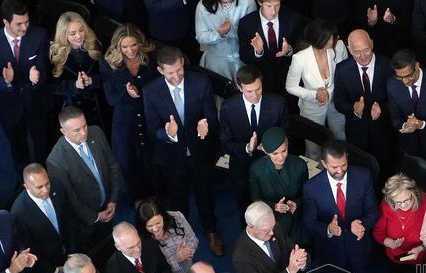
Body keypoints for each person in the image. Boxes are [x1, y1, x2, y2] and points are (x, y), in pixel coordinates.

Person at [143, 46, 221, 256]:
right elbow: (152, 129)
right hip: (172, 157)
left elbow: (211, 114)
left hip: (200, 151)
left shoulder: (201, 82)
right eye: (170, 72)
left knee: (206, 195)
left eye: (179, 69)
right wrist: (168, 133)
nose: (177, 75)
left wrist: (207, 124)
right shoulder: (151, 91)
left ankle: (211, 231)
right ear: (160, 71)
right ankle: (182, 235)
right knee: (178, 200)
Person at [302, 141, 382, 273]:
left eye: (343, 165)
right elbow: (309, 222)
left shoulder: (363, 176)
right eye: (334, 167)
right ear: (324, 163)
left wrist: (362, 223)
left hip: (358, 244)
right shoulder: (312, 187)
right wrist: (327, 229)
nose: (340, 171)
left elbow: (373, 212)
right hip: (330, 248)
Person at [0, 0, 50, 177]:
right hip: (9, 106)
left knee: (42, 142)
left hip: (35, 101)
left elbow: (44, 69)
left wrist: (37, 77)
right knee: (18, 147)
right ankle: (24, 180)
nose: (25, 27)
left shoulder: (40, 35)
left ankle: (46, 176)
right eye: (19, 24)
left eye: (27, 21)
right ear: (5, 22)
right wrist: (6, 81)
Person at [46, 106, 123, 251]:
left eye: (84, 126)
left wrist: (113, 200)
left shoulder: (96, 132)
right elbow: (70, 198)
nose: (83, 132)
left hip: (108, 208)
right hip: (85, 224)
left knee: (111, 247)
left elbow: (112, 166)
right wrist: (95, 216)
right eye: (76, 130)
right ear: (63, 131)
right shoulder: (56, 161)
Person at [219, 65, 290, 215]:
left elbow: (285, 135)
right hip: (242, 169)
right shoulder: (228, 107)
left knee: (273, 211)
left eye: (258, 89)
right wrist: (247, 148)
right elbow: (225, 143)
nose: (255, 95)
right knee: (246, 212)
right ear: (240, 87)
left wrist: (272, 147)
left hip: (271, 168)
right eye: (249, 91)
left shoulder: (278, 103)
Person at [101, 23, 159, 203]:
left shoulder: (150, 58)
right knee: (127, 160)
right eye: (124, 47)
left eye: (133, 45)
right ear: (117, 46)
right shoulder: (108, 64)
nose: (130, 50)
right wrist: (126, 94)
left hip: (148, 115)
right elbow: (110, 99)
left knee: (151, 157)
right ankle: (136, 199)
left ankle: (156, 196)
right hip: (125, 119)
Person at [334, 29, 396, 175]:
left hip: (384, 131)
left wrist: (382, 108)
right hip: (356, 133)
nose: (362, 57)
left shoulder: (388, 66)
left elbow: (397, 100)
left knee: (386, 169)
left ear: (372, 44)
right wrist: (354, 109)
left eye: (366, 50)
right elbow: (338, 102)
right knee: (359, 170)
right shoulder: (342, 69)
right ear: (349, 50)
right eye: (357, 52)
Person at [285, 20, 348, 159]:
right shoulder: (300, 58)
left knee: (340, 139)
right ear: (318, 39)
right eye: (329, 38)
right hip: (312, 108)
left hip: (336, 103)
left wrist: (331, 93)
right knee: (313, 148)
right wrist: (314, 95)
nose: (333, 40)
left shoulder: (339, 46)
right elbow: (290, 86)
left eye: (333, 36)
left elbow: (345, 73)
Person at [10, 164, 76, 273]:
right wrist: (54, 271)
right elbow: (29, 250)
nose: (46, 190)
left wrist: (72, 253)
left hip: (69, 253)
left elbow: (68, 220)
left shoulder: (56, 185)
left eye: (47, 184)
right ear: (26, 186)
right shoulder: (19, 213)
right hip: (47, 266)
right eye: (39, 187)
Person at [385, 49, 426, 168]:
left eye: (408, 76)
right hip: (408, 148)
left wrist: (420, 124)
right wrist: (405, 126)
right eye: (400, 77)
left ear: (417, 66)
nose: (405, 81)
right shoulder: (392, 84)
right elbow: (395, 118)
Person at [136, 197, 200, 273]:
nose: (155, 229)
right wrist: (176, 259)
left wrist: (187, 251)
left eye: (158, 223)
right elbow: (151, 269)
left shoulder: (177, 217)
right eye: (150, 226)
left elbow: (194, 240)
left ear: (163, 216)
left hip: (189, 272)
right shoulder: (140, 240)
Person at [248, 127, 309, 247]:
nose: (280, 157)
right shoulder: (257, 169)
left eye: (284, 151)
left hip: (295, 217)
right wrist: (274, 206)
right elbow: (256, 200)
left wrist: (296, 203)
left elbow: (306, 195)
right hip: (270, 219)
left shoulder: (300, 165)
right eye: (275, 153)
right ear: (266, 151)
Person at [48, 12, 105, 129]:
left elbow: (107, 76)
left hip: (97, 106)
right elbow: (51, 86)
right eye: (72, 33)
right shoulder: (55, 54)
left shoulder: (96, 46)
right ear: (64, 35)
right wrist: (75, 85)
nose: (79, 36)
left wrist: (92, 81)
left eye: (81, 30)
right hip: (70, 109)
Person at [237, 0, 304, 98]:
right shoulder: (246, 23)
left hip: (288, 78)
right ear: (260, 2)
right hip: (262, 81)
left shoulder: (293, 19)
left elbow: (301, 48)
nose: (273, 12)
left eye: (277, 5)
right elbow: (244, 56)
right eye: (269, 6)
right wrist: (258, 52)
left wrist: (289, 50)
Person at [196, 0, 254, 80]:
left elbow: (251, 35)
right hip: (214, 61)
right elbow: (200, 37)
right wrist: (219, 34)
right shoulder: (203, 5)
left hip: (241, 61)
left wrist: (230, 31)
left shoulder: (248, 2)